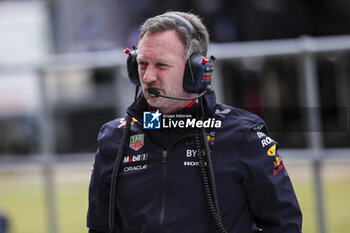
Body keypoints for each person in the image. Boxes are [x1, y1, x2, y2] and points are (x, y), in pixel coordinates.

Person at [87, 11, 302, 233]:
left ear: (196, 71)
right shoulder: (114, 138)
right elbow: (99, 228)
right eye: (142, 64)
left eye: (161, 65)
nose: (148, 77)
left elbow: (284, 225)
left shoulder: (243, 135)